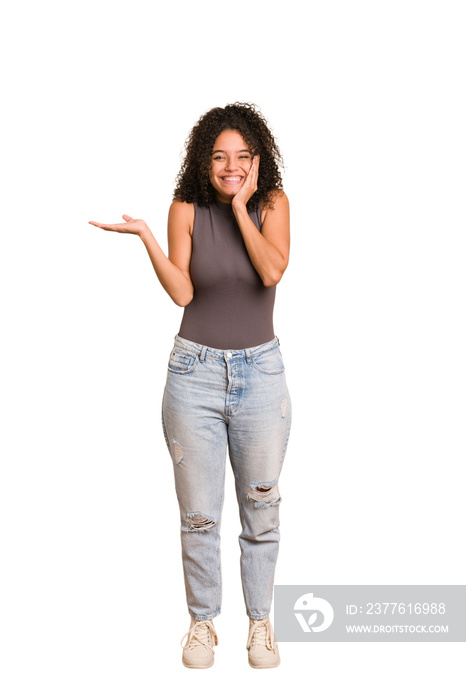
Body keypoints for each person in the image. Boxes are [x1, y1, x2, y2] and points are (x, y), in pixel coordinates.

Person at [88, 102, 291, 669]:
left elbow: (272, 271)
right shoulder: (184, 209)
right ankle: (203, 624)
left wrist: (240, 208)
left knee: (262, 504)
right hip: (193, 373)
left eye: (241, 157)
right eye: (219, 157)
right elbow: (182, 292)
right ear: (205, 161)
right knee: (199, 513)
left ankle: (259, 624)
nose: (230, 166)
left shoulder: (272, 205)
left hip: (261, 372)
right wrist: (148, 235)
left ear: (257, 160)